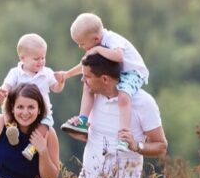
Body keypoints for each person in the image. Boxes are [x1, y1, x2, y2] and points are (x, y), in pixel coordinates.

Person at [62, 53, 166, 178]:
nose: (83, 80)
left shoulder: (144, 102)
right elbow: (95, 138)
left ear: (104, 79)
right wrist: (78, 131)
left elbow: (161, 146)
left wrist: (136, 146)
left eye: (87, 77)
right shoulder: (92, 98)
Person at [56, 13, 150, 153]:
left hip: (132, 73)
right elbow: (85, 64)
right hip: (116, 72)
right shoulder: (95, 44)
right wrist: (67, 74)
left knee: (123, 96)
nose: (81, 47)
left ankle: (124, 135)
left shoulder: (112, 40)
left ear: (95, 38)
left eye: (82, 43)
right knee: (88, 83)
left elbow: (119, 56)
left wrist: (98, 49)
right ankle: (83, 120)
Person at [0, 33, 65, 160]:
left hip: (42, 112)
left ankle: (32, 148)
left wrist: (60, 82)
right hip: (19, 109)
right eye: (36, 59)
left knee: (45, 126)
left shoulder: (47, 73)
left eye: (43, 58)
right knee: (6, 109)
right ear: (23, 58)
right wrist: (4, 92)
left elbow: (56, 88)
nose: (41, 62)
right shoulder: (16, 72)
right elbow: (6, 86)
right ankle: (11, 129)